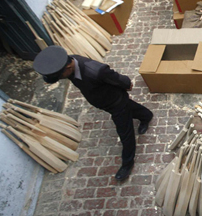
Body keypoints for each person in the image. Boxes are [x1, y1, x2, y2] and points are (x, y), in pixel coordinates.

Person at [33, 46, 153, 181]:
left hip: (116, 102)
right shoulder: (69, 64)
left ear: (67, 67)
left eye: (59, 76)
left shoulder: (96, 71)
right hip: (105, 102)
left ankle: (127, 163)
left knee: (125, 133)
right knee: (131, 108)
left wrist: (126, 84)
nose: (61, 79)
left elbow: (118, 78)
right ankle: (146, 115)